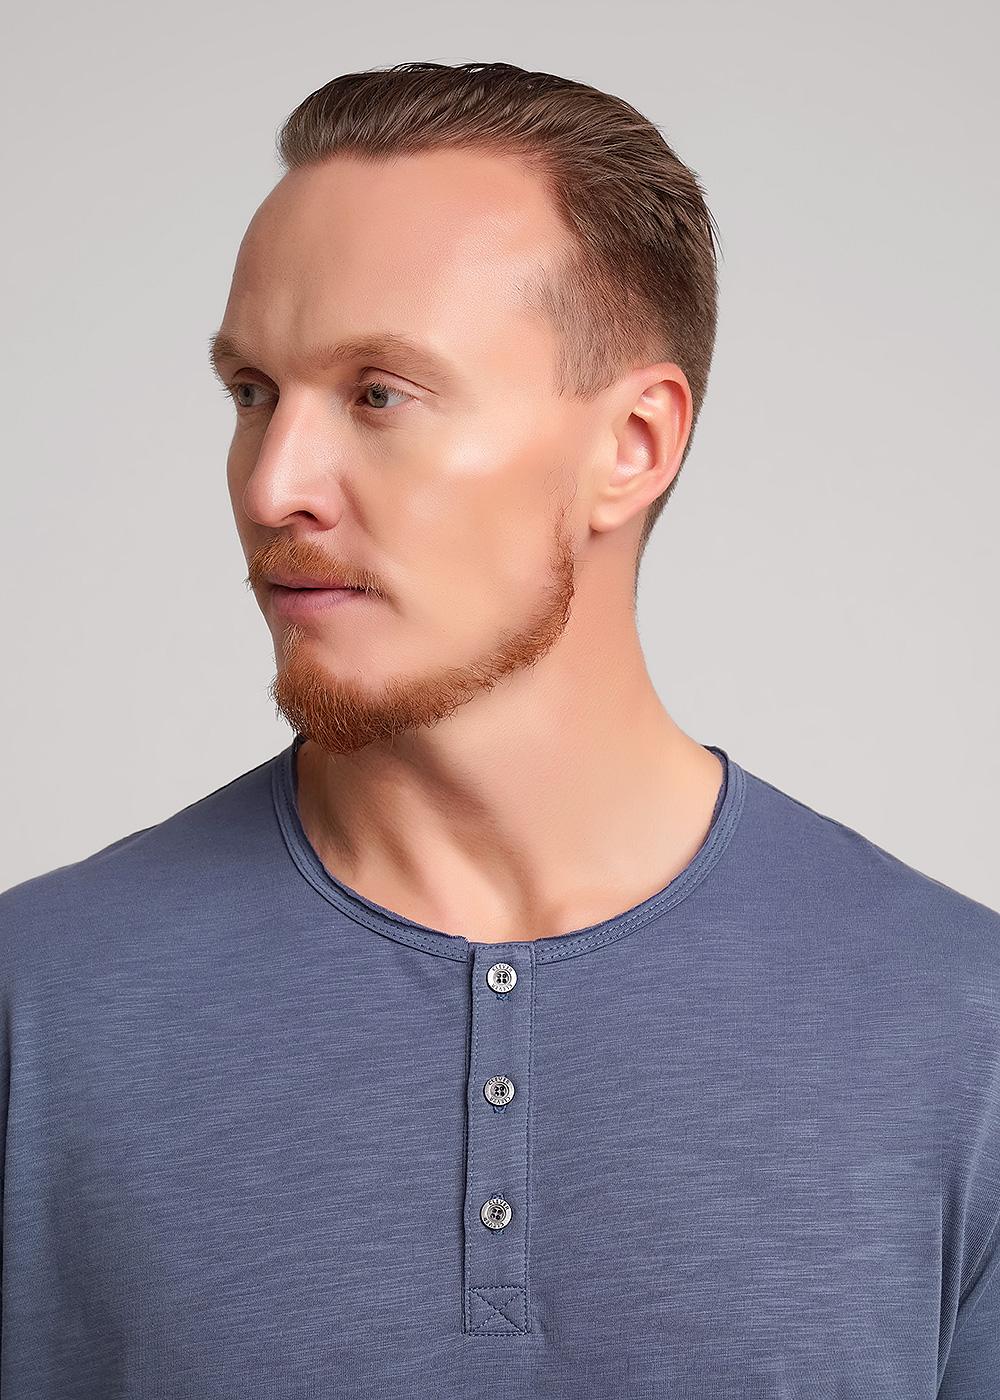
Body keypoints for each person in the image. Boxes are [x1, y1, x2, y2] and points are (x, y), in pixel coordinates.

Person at [1, 60, 997, 1400]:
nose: (274, 484)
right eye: (252, 391)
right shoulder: (35, 1003)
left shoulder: (962, 1029)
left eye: (379, 393)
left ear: (632, 443)